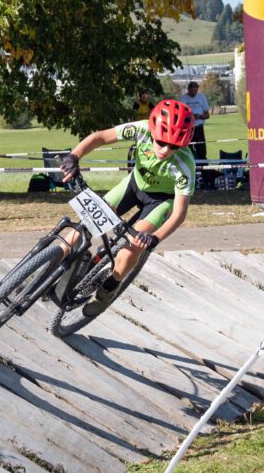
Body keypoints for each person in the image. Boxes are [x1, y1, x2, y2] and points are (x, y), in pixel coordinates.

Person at [57, 100, 196, 316]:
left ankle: (110, 287)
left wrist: (155, 238)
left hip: (160, 201)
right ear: (153, 131)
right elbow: (100, 137)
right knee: (87, 224)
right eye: (161, 142)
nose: (166, 150)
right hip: (133, 185)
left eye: (175, 146)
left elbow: (179, 214)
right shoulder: (141, 129)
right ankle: (49, 264)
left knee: (133, 244)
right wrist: (74, 156)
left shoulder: (185, 165)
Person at [178, 81, 211, 185]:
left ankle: (206, 177)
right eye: (193, 89)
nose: (195, 91)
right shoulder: (183, 99)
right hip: (188, 129)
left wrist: (199, 116)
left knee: (202, 152)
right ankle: (188, 175)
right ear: (188, 89)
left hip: (199, 128)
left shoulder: (201, 98)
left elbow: (207, 115)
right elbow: (180, 116)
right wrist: (191, 117)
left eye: (196, 89)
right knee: (188, 152)